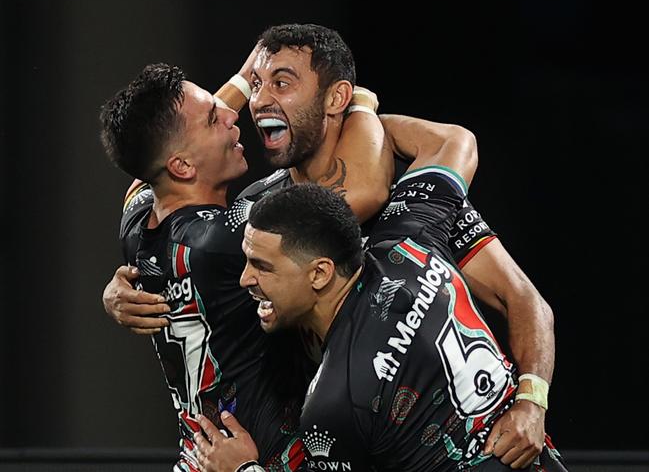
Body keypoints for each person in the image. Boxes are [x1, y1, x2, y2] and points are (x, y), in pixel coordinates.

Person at [103, 24, 556, 468]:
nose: (255, 102)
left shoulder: (408, 192)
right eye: (257, 84)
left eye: (281, 83)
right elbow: (161, 180)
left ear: (334, 97)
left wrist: (532, 402)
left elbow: (524, 300)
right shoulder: (260, 215)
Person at [191, 136, 568, 471]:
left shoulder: (334, 404)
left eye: (261, 266)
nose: (245, 279)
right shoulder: (410, 239)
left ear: (320, 273)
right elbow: (450, 142)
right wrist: (350, 117)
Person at [99, 57, 391, 470]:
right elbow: (365, 188)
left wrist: (249, 72)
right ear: (182, 166)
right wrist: (354, 101)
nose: (232, 112)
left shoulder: (137, 220)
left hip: (197, 459)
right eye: (213, 119)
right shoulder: (228, 239)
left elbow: (152, 155)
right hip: (260, 460)